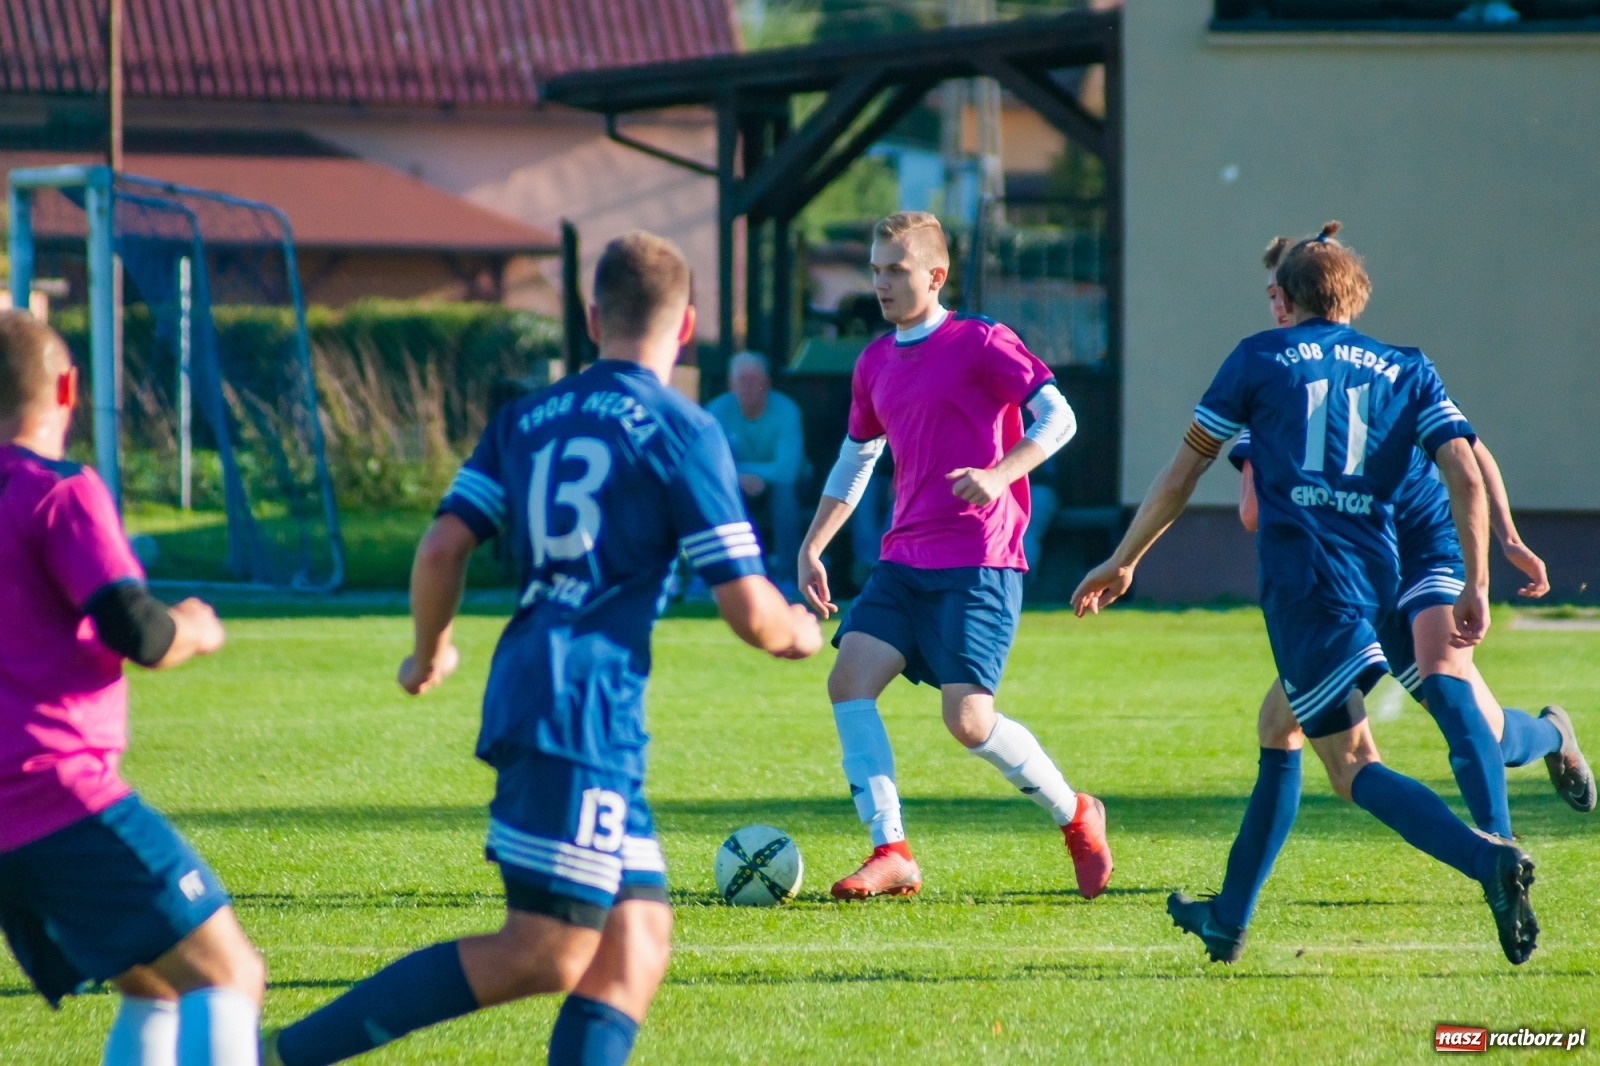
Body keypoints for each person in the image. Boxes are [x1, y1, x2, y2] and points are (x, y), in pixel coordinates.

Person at [261, 233, 821, 1066]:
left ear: (593, 317)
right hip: (581, 707)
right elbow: (751, 612)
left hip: (542, 688)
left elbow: (442, 547)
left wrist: (429, 653)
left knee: (635, 944)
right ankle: (277, 1055)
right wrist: (799, 629)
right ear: (689, 327)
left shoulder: (526, 417)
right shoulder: (681, 427)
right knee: (547, 950)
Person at [1072, 222, 1539, 967]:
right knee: (1277, 725)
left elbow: (1186, 469)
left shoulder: (1260, 356)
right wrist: (1479, 580)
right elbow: (1463, 467)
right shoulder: (1406, 367)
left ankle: (1488, 859)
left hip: (1308, 587)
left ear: (1284, 300)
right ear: (1355, 298)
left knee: (1353, 765)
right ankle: (1227, 918)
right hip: (1382, 578)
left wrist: (1124, 559)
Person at [1229, 238, 1592, 846]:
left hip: (1415, 551)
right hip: (1348, 576)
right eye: (1269, 297)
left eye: (1278, 295)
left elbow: (1469, 460)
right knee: (1490, 732)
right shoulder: (1280, 379)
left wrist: (1507, 539)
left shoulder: (1381, 372)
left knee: (1446, 697)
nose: (1276, 309)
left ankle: (1497, 854)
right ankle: (1552, 737)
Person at [797, 211, 1111, 902]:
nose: (881, 282)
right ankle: (891, 851)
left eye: (896, 270)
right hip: (904, 558)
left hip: (981, 559)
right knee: (848, 682)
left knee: (966, 721)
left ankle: (1077, 814)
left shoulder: (982, 341)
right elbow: (857, 457)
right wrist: (814, 543)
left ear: (935, 275)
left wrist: (1001, 474)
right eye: (876, 269)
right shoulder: (874, 360)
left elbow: (1060, 417)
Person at [0, 310, 262, 1065]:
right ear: (67, 386)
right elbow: (136, 630)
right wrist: (198, 626)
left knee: (155, 987)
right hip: (53, 797)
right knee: (230, 974)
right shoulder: (58, 491)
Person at [705, 351, 806, 588]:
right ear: (731, 384)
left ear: (767, 383)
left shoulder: (787, 410)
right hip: (736, 486)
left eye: (755, 380)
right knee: (716, 493)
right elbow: (708, 466)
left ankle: (787, 576)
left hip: (783, 487)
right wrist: (737, 478)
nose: (749, 386)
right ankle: (725, 578)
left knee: (785, 494)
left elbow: (787, 470)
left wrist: (739, 472)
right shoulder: (715, 412)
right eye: (742, 380)